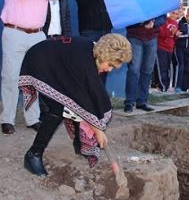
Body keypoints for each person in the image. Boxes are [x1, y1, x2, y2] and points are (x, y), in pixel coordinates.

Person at [18, 34, 131, 176]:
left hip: (56, 62)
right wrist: (98, 131)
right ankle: (33, 154)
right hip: (41, 62)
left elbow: (90, 99)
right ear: (104, 54)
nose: (109, 70)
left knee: (75, 104)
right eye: (109, 64)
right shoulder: (85, 63)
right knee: (58, 109)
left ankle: (80, 145)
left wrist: (98, 128)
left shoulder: (93, 53)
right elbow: (84, 102)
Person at [0, 0, 69, 135]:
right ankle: (7, 119)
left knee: (34, 79)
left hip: (37, 35)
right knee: (11, 77)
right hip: (14, 33)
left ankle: (32, 118)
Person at [71, 0, 113, 84]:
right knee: (89, 64)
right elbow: (83, 1)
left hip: (106, 27)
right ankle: (89, 97)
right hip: (89, 29)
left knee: (105, 62)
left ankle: (101, 96)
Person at [124, 14, 166, 114]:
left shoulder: (156, 2)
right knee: (134, 69)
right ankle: (129, 102)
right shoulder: (133, 1)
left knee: (147, 70)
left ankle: (142, 101)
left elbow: (163, 17)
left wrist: (154, 23)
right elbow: (126, 18)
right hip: (134, 37)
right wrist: (141, 22)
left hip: (152, 38)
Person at [156, 10, 179, 92]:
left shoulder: (175, 23)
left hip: (170, 47)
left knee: (169, 68)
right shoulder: (163, 21)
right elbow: (160, 33)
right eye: (173, 13)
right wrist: (170, 32)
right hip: (161, 47)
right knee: (162, 68)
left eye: (176, 14)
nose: (174, 15)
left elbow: (174, 38)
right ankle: (162, 86)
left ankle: (169, 86)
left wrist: (176, 34)